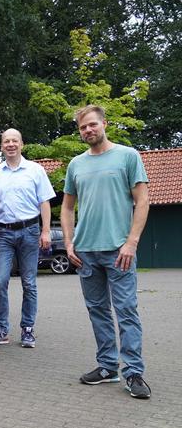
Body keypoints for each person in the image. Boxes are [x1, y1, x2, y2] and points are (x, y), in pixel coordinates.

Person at [61, 105, 151, 399]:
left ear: (104, 124)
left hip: (119, 250)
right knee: (98, 311)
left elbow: (142, 200)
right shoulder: (76, 164)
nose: (88, 130)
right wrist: (70, 243)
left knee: (126, 311)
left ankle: (134, 372)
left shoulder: (128, 156)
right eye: (82, 128)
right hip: (85, 252)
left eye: (92, 125)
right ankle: (107, 366)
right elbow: (67, 206)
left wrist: (132, 242)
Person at [0, 129, 55, 348]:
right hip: (4, 233)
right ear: (2, 146)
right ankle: (2, 330)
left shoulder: (35, 170)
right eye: (6, 141)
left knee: (29, 282)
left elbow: (44, 202)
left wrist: (46, 231)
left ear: (22, 144)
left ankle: (28, 330)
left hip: (30, 231)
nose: (10, 144)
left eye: (14, 141)